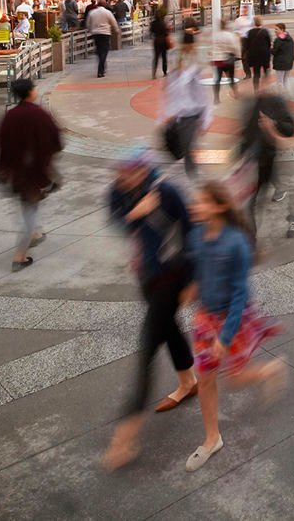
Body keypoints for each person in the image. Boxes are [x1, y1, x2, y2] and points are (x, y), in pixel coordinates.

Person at [101, 152, 199, 471]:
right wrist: (134, 213)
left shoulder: (166, 191)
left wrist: (192, 281)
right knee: (169, 329)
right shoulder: (117, 190)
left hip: (172, 278)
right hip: (146, 277)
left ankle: (123, 441)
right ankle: (188, 381)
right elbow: (115, 219)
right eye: (119, 173)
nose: (121, 178)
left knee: (146, 351)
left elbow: (192, 234)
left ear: (143, 170)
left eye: (127, 173)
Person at [183, 181, 288, 473]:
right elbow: (198, 270)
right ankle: (211, 439)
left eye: (200, 202)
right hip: (205, 318)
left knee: (234, 379)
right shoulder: (196, 236)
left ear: (218, 206)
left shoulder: (236, 243)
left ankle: (269, 370)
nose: (194, 206)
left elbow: (240, 293)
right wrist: (192, 288)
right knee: (205, 378)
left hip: (234, 318)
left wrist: (226, 336)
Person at [0, 78, 62, 271]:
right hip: (35, 174)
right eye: (34, 87)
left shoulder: (10, 116)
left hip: (16, 173)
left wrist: (3, 170)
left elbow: (1, 143)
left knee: (28, 206)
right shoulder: (39, 114)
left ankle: (35, 235)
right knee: (29, 213)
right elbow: (55, 140)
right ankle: (19, 257)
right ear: (30, 92)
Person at [237, 80, 294, 237]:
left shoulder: (276, 102)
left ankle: (293, 219)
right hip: (259, 160)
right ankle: (251, 237)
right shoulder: (255, 102)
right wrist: (242, 151)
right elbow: (250, 129)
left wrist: (272, 125)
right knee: (253, 199)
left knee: (276, 189)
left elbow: (290, 128)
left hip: (273, 157)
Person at [161, 43, 213, 178]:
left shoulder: (192, 78)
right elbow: (167, 97)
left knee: (188, 148)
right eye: (171, 62)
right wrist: (164, 116)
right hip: (175, 118)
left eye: (176, 61)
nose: (173, 64)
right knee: (173, 148)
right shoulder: (171, 77)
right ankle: (187, 169)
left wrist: (205, 121)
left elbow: (204, 99)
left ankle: (192, 176)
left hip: (190, 117)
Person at [86, 0, 119, 77]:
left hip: (96, 34)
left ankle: (102, 66)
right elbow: (113, 22)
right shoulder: (107, 13)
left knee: (99, 50)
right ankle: (101, 69)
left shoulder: (92, 13)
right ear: (105, 5)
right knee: (104, 51)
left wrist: (90, 30)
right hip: (105, 33)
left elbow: (88, 24)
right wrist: (116, 30)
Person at [210, 23, 242, 101]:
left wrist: (212, 58)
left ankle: (216, 97)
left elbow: (213, 48)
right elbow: (235, 46)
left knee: (217, 79)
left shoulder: (216, 36)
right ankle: (236, 93)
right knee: (231, 78)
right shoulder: (230, 35)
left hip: (218, 60)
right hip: (228, 59)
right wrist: (238, 56)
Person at [242, 17, 273, 91]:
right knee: (266, 72)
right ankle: (265, 87)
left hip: (254, 56)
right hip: (264, 55)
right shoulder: (265, 32)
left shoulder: (250, 32)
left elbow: (246, 45)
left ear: (254, 23)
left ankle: (256, 90)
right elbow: (269, 43)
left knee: (256, 74)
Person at [271, 23, 294, 89]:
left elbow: (274, 51)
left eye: (276, 29)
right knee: (286, 80)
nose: (275, 31)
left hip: (280, 63)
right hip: (289, 62)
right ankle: (288, 94)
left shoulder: (278, 40)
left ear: (282, 30)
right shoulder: (290, 38)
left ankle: (281, 96)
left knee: (280, 82)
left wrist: (269, 49)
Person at [150, 8, 172, 78]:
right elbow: (166, 32)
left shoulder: (153, 23)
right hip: (163, 41)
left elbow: (151, 32)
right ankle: (165, 72)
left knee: (156, 57)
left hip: (156, 41)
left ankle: (154, 73)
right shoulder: (163, 23)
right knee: (164, 57)